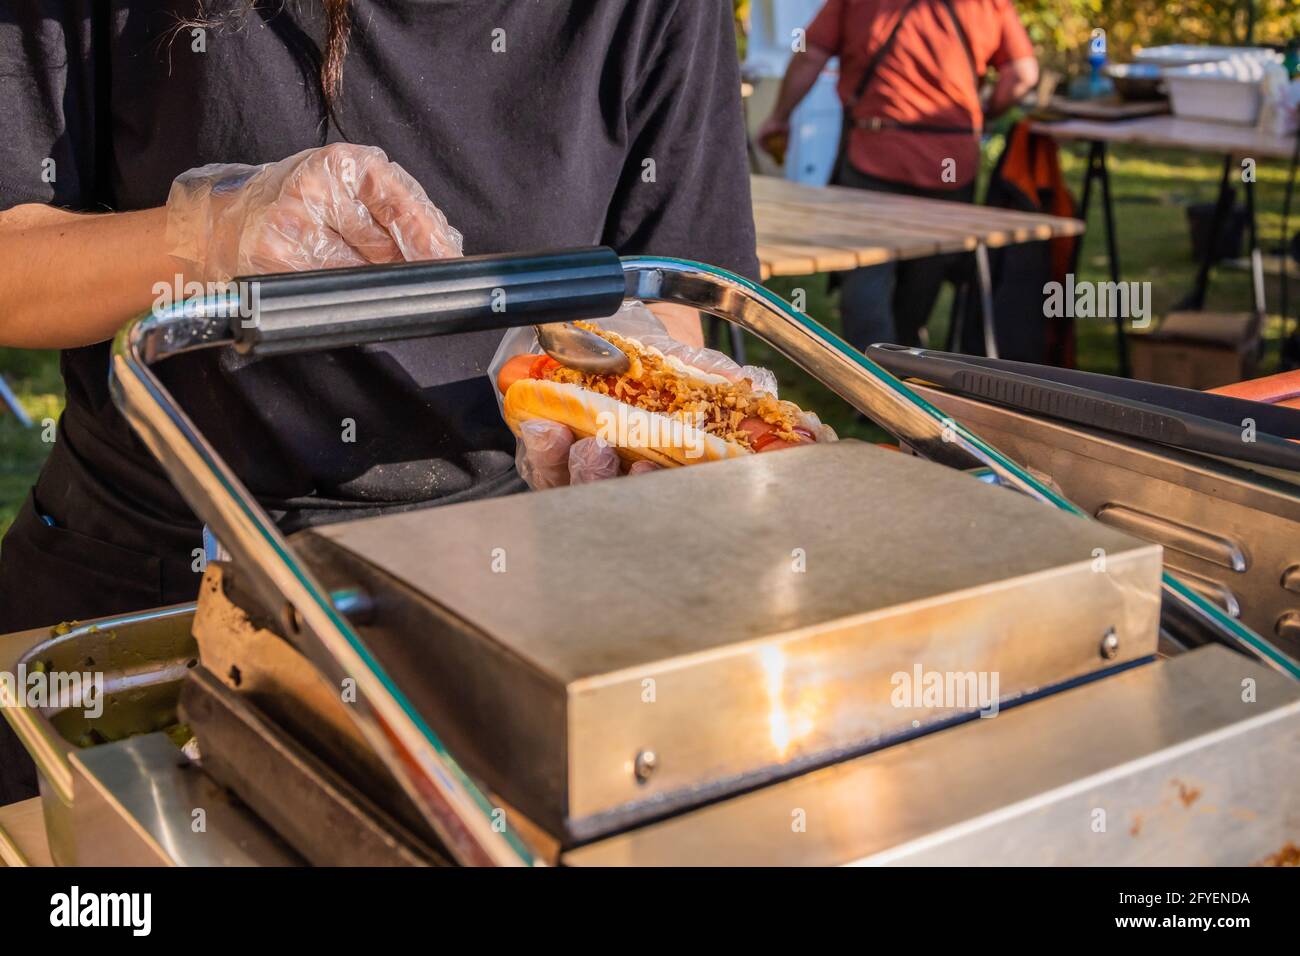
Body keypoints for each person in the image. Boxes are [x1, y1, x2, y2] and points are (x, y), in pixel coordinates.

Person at [0, 0, 757, 803]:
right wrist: (215, 229)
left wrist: (625, 422)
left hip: (499, 593)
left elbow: (677, 297)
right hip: (148, 577)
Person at [756, 0, 1038, 349]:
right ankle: (903, 370)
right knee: (924, 275)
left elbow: (811, 53)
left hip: (876, 155)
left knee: (865, 277)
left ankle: (876, 382)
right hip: (949, 162)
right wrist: (981, 113)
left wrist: (779, 116)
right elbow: (1023, 74)